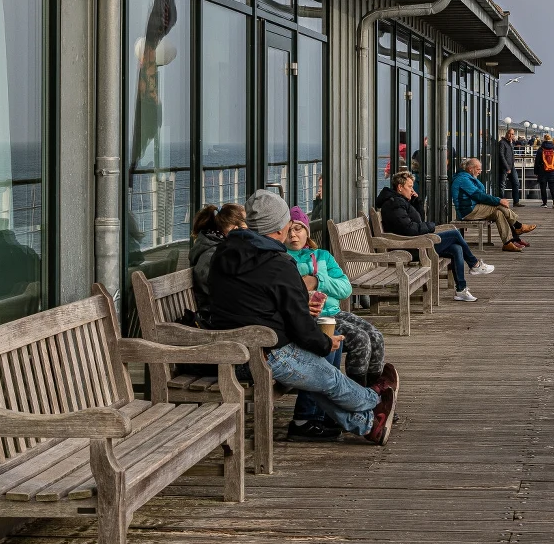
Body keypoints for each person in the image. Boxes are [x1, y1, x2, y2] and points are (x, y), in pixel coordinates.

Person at [203, 189, 398, 445]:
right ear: (280, 227)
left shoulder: (225, 253)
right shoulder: (277, 262)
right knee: (328, 376)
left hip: (229, 348)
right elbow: (300, 325)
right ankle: (374, 399)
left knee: (317, 377)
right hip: (264, 353)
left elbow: (252, 299)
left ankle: (368, 426)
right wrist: (327, 343)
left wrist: (296, 304)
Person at [282, 206, 388, 387]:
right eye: (289, 229)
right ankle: (358, 392)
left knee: (376, 337)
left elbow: (345, 289)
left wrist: (318, 280)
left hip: (334, 312)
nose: (293, 235)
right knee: (360, 339)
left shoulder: (322, 256)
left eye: (298, 228)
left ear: (306, 231)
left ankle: (374, 390)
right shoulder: (283, 259)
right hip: (311, 318)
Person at [376, 170, 493, 301]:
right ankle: (475, 265)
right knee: (454, 234)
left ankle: (461, 290)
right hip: (409, 247)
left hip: (416, 242)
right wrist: (431, 227)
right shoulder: (394, 204)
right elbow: (410, 229)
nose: (412, 189)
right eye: (409, 186)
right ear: (399, 187)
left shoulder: (400, 201)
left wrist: (416, 201)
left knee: (456, 248)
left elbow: (418, 220)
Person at [451, 157, 534, 252]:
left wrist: (497, 200)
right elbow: (478, 195)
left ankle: (508, 242)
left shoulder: (469, 178)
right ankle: (518, 226)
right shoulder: (463, 180)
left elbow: (481, 194)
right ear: (470, 169)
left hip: (474, 208)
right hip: (468, 211)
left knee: (499, 213)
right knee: (499, 205)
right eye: (478, 169)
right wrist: (498, 200)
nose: (480, 171)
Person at [532, 133, 554, 207]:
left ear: (543, 139)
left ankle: (545, 203)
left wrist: (536, 172)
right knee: (552, 186)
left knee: (543, 187)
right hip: (552, 170)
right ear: (550, 139)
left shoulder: (541, 149)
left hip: (542, 170)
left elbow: (537, 161)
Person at [496, 128, 520, 206]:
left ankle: (516, 202)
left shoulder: (511, 143)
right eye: (509, 133)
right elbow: (501, 155)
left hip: (512, 166)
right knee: (502, 184)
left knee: (516, 183)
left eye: (512, 134)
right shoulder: (502, 143)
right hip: (504, 167)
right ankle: (501, 201)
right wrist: (507, 167)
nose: (511, 135)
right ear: (506, 134)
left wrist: (511, 166)